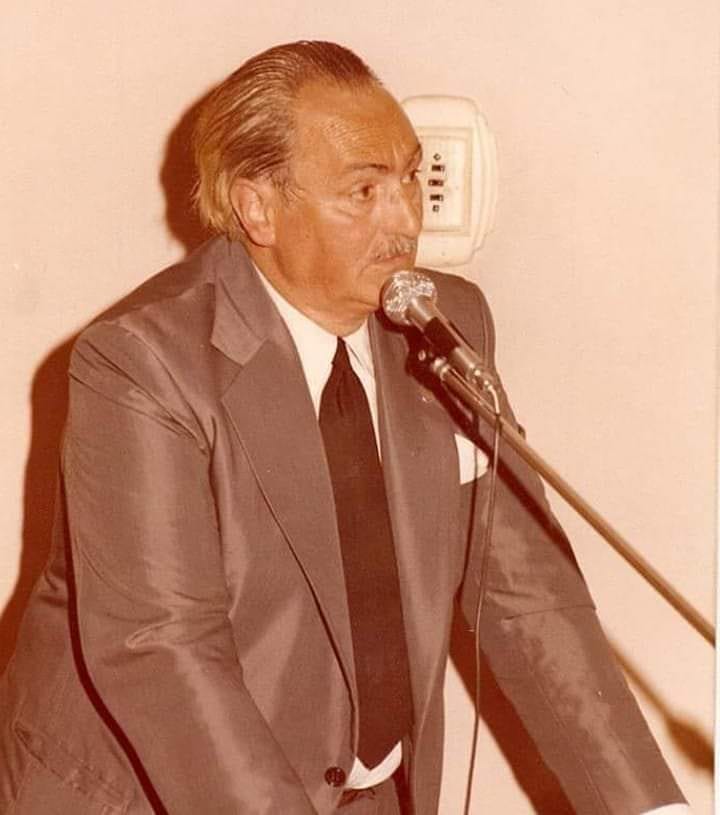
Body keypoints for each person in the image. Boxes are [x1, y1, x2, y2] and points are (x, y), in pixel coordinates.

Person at [0, 40, 689, 815]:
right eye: (363, 191)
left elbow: (528, 598)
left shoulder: (445, 328)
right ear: (257, 206)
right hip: (153, 794)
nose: (405, 220)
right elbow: (165, 651)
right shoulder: (142, 363)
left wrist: (651, 809)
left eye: (409, 179)